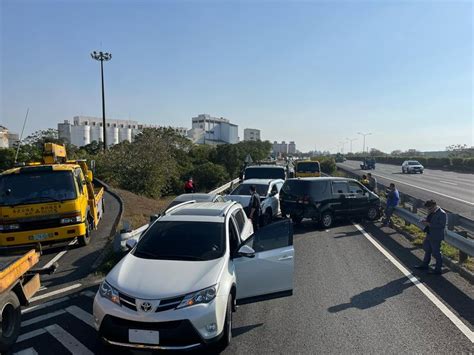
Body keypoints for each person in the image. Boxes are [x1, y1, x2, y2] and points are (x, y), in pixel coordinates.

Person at [415, 200, 447, 275]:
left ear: (434, 206)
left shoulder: (442, 213)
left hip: (436, 236)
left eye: (429, 208)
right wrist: (425, 220)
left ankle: (438, 270)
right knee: (427, 250)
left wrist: (429, 224)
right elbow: (430, 219)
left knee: (436, 253)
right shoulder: (432, 211)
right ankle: (424, 265)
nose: (428, 210)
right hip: (429, 234)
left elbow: (442, 226)